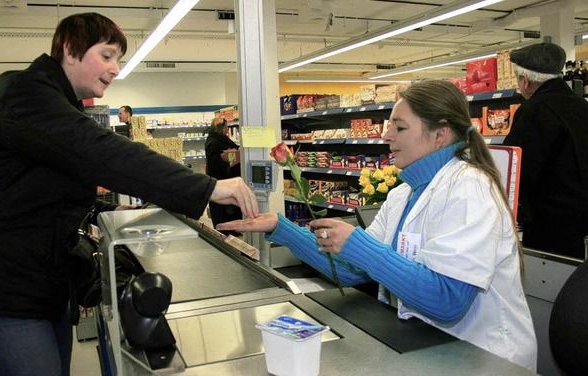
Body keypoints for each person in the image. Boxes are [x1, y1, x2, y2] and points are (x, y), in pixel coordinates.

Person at [0, 13, 258, 376]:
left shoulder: (57, 102)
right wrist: (207, 186)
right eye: (107, 55)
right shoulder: (22, 91)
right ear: (69, 49)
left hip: (37, 287)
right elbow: (101, 151)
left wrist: (118, 213)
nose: (115, 69)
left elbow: (42, 192)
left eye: (118, 59)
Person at [218, 80, 537, 371]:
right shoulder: (403, 193)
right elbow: (350, 271)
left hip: (486, 358)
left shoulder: (470, 190)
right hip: (428, 345)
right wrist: (282, 228)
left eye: (399, 127)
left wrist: (359, 245)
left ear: (440, 134)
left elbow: (448, 300)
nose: (386, 136)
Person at [502, 42, 588, 260]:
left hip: (550, 223)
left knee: (550, 284)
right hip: (580, 217)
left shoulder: (533, 110)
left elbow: (517, 169)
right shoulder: (582, 105)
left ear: (524, 80)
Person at [205, 117, 242, 234]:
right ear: (219, 128)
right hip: (219, 180)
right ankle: (223, 230)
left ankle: (233, 229)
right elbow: (213, 163)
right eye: (225, 127)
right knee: (219, 207)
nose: (227, 129)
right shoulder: (212, 141)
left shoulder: (222, 138)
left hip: (228, 177)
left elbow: (235, 148)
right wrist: (228, 163)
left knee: (230, 204)